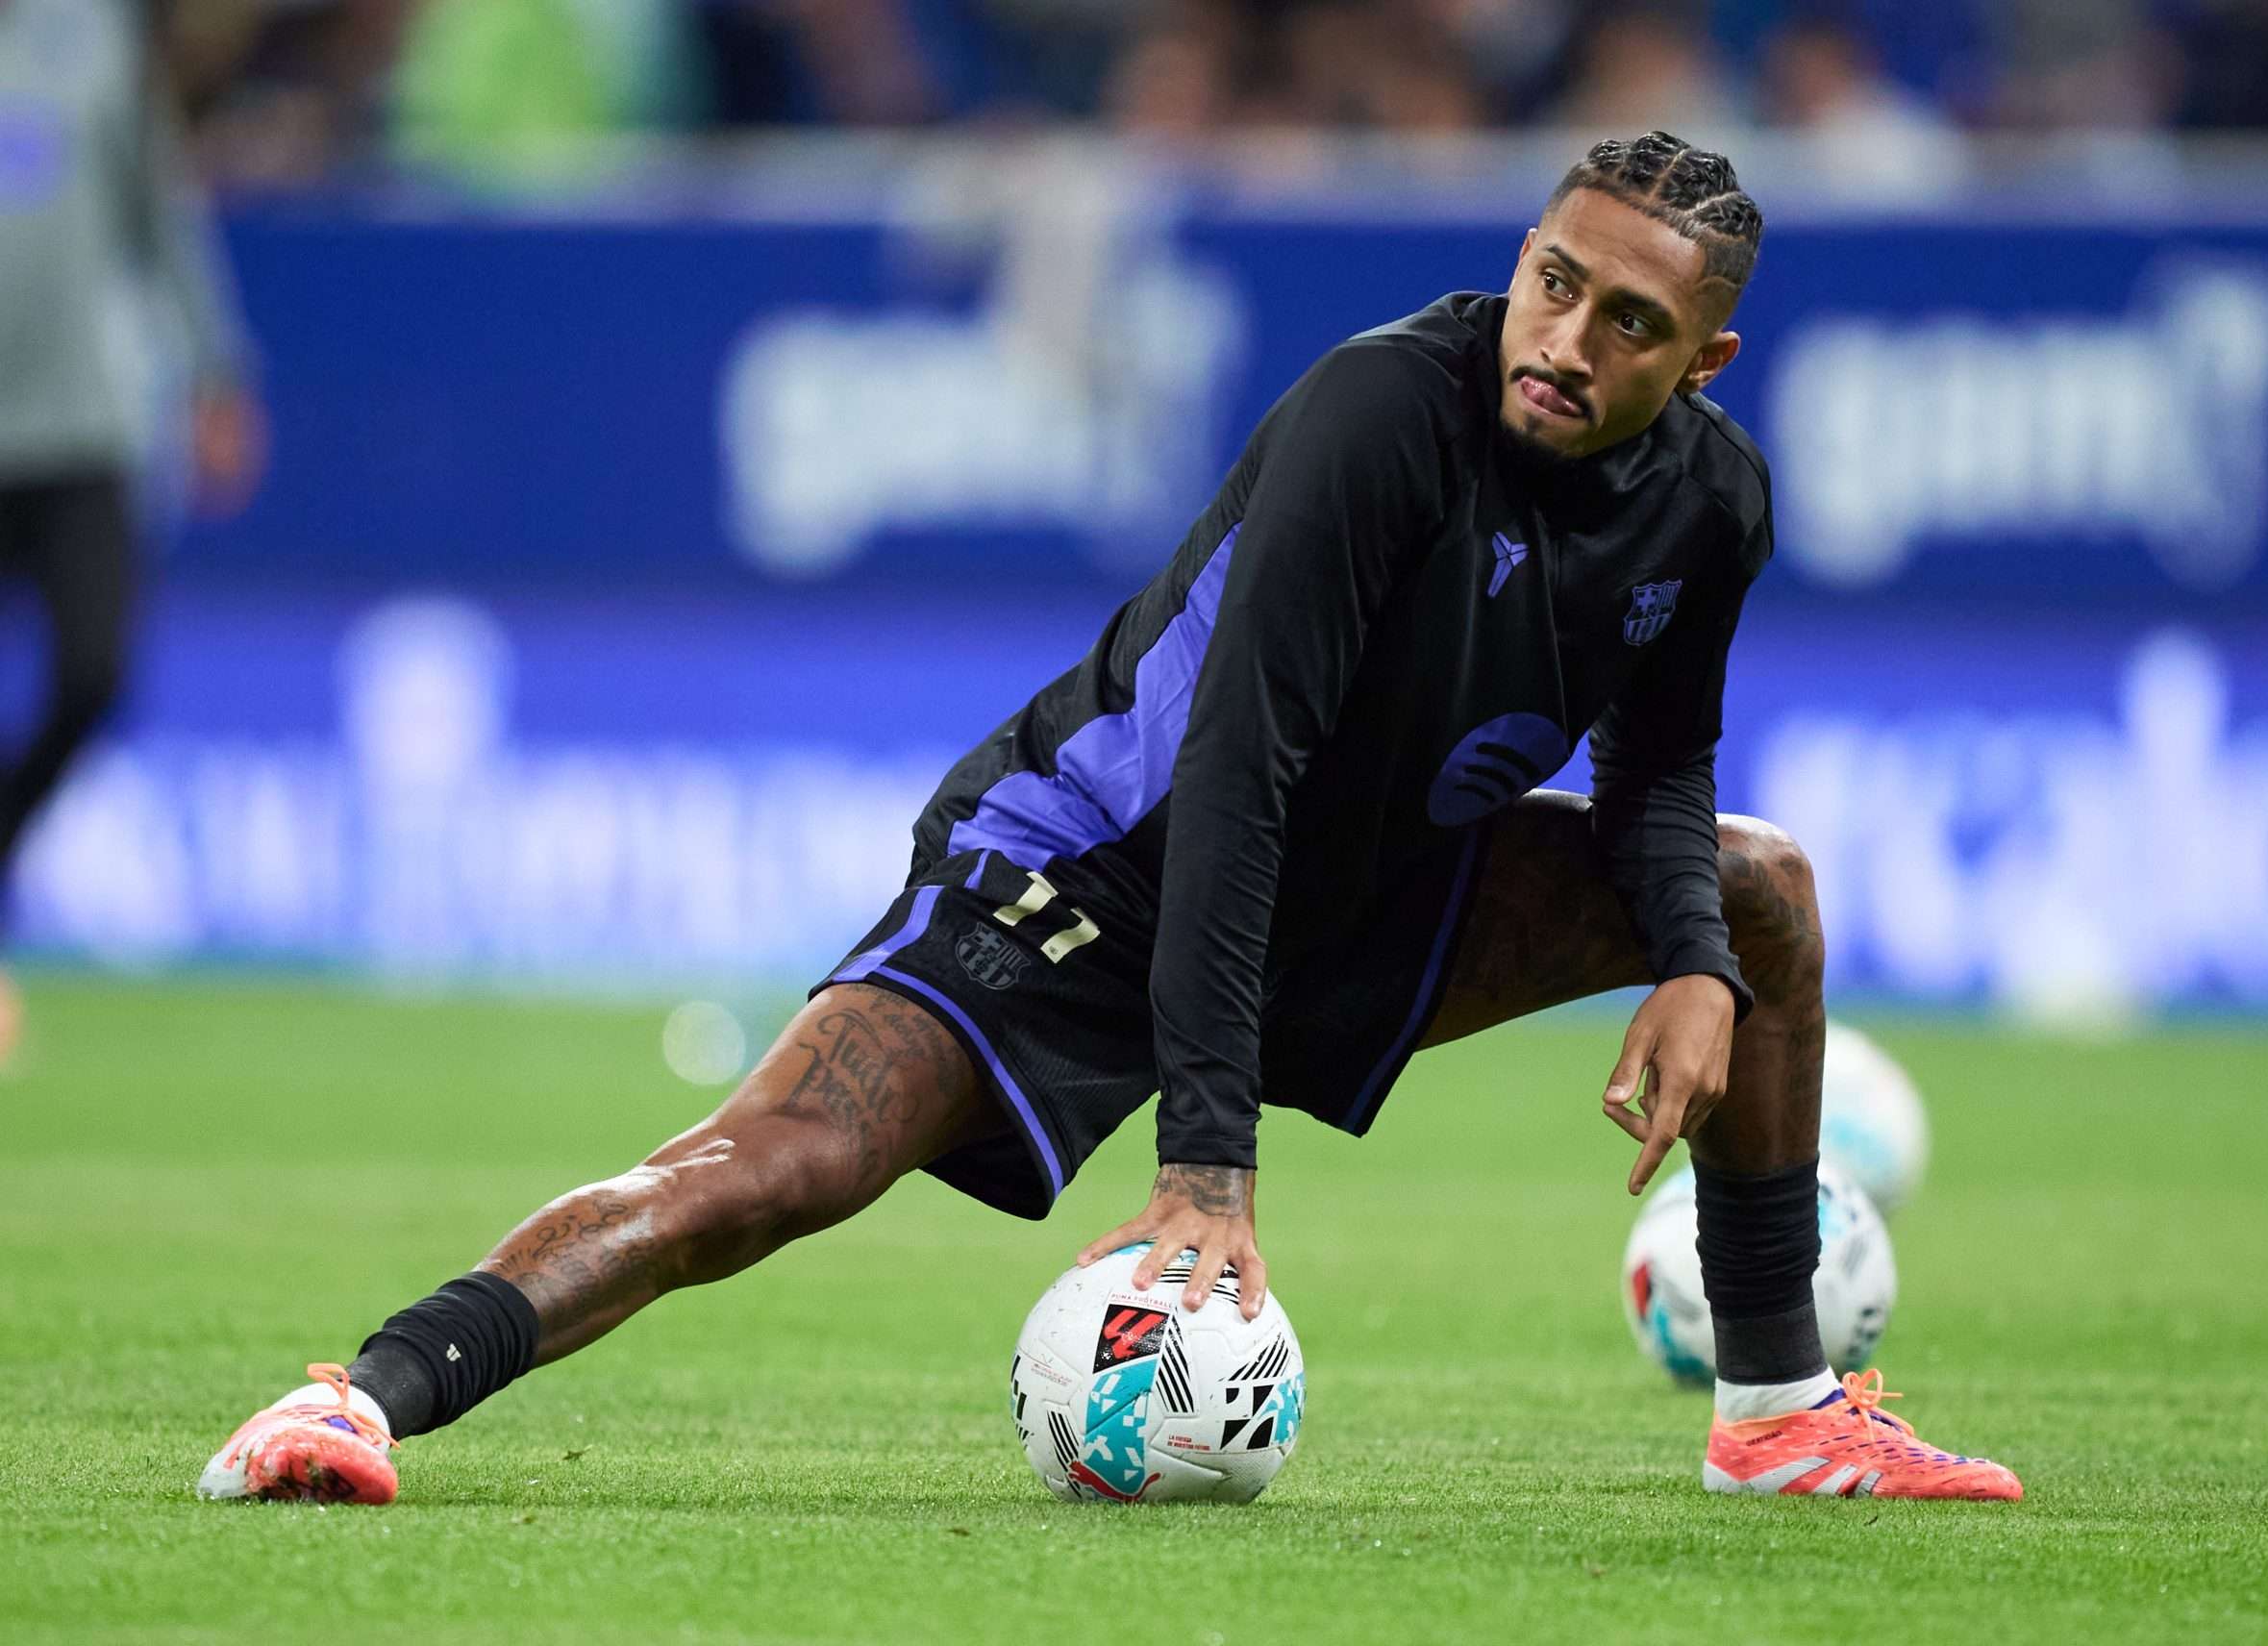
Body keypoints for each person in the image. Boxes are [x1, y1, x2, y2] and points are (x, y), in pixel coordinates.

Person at [200, 133, 2019, 1506]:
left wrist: (1695, 957)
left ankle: (1780, 1414)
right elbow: (1236, 774)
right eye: (1555, 280)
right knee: (783, 1167)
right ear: (1523, 258)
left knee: (1766, 891)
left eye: (1630, 323)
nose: (1567, 338)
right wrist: (1207, 1172)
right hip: (1089, 867)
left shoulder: (1715, 505)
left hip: (1367, 894)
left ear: (1701, 364)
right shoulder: (1382, 416)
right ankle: (362, 1394)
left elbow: (1661, 771)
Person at [0, 0, 264, 1064]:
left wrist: (215, 365)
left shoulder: (90, 33)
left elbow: (159, 208)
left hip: (80, 424)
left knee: (96, 666)